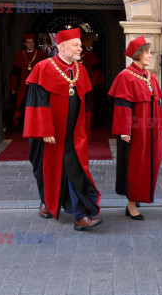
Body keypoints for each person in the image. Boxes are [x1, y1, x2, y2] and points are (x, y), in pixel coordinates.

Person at [23, 28, 102, 231]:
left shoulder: (80, 69)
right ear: (62, 46)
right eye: (75, 44)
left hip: (72, 135)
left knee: (74, 171)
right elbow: (36, 103)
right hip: (49, 135)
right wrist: (45, 130)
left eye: (80, 44)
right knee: (45, 170)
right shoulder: (43, 67)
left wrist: (85, 129)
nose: (80, 48)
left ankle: (80, 215)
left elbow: (85, 102)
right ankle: (47, 202)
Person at [109, 36, 162, 220]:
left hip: (151, 131)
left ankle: (140, 195)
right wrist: (124, 130)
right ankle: (131, 204)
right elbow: (122, 105)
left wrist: (160, 126)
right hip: (135, 132)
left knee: (150, 164)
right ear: (139, 54)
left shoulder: (150, 76)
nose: (150, 55)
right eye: (148, 52)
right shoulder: (125, 76)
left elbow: (157, 104)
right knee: (135, 166)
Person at [9, 33, 47, 127]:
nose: (31, 44)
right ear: (25, 44)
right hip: (24, 86)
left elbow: (46, 71)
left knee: (38, 106)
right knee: (24, 106)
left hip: (38, 86)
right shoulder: (19, 55)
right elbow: (15, 72)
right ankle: (25, 126)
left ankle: (38, 126)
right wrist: (13, 87)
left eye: (32, 42)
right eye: (28, 42)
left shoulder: (41, 54)